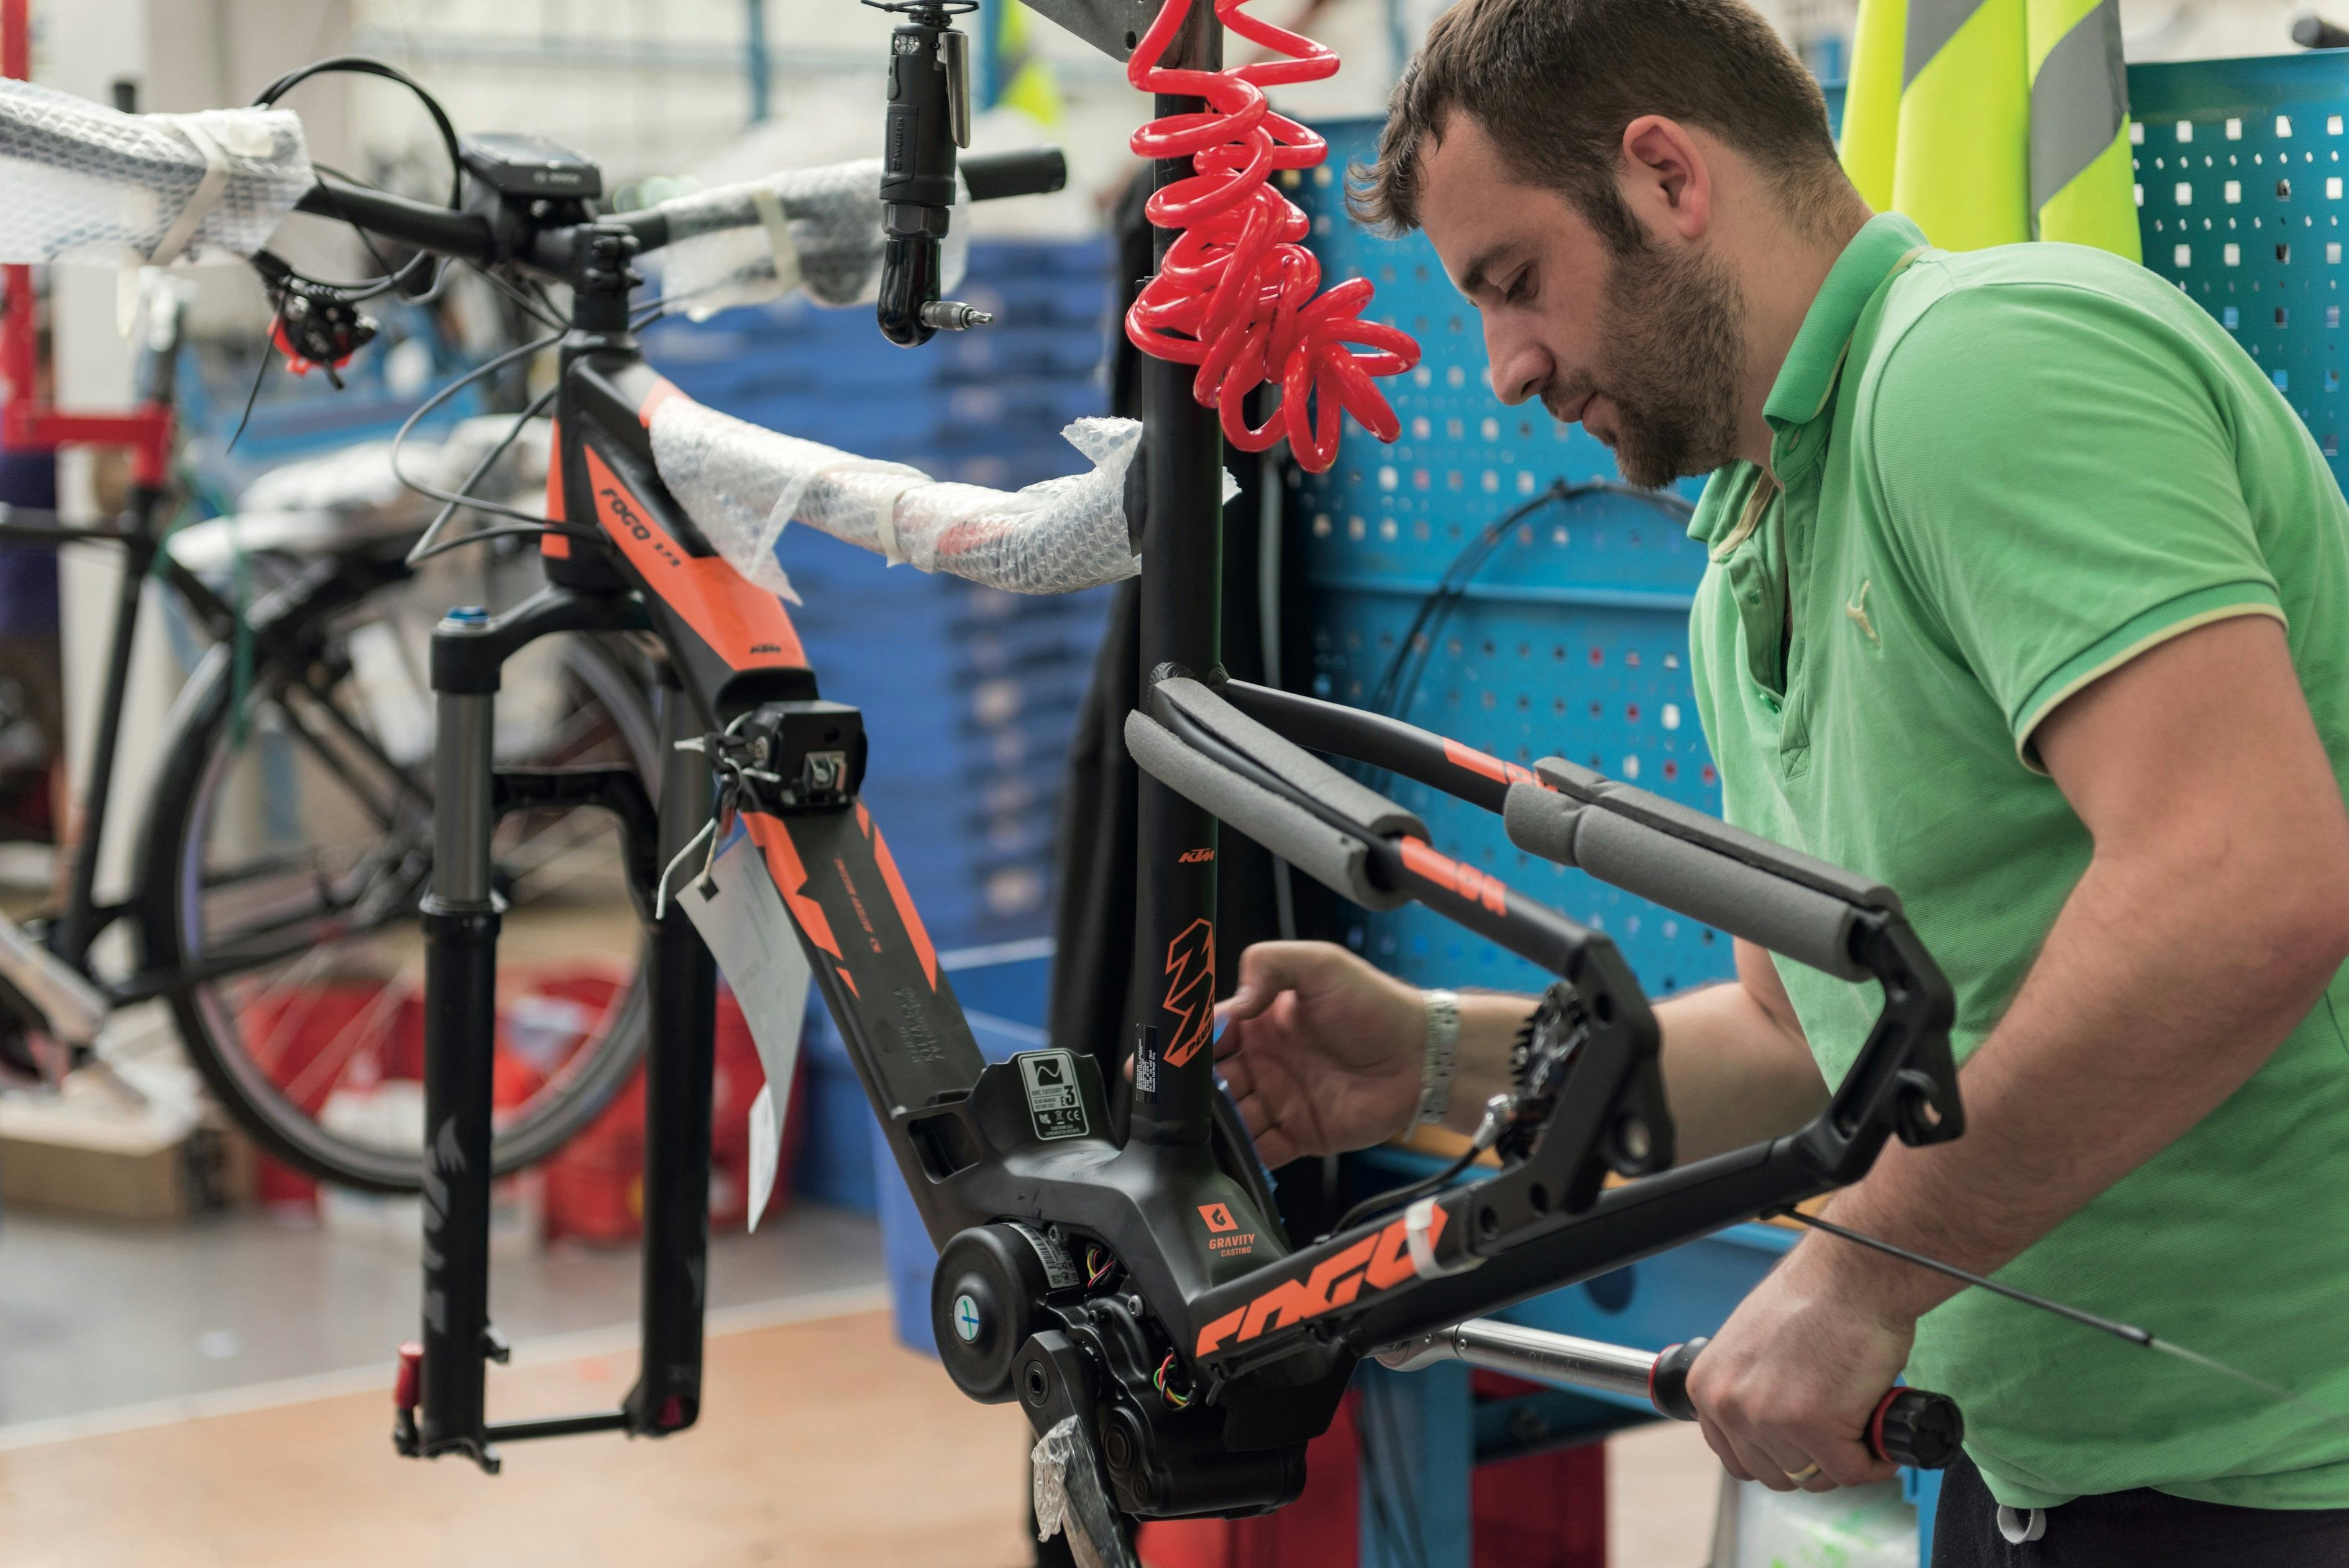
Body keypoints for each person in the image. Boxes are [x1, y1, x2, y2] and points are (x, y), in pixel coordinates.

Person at [1211, 1, 2349, 1561]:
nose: (1506, 369)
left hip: (2296, 1468)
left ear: (1670, 177)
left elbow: (2247, 882)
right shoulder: (1749, 549)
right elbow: (1796, 1036)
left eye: (1516, 281)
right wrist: (1425, 1063)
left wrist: (1865, 1270)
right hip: (2048, 1477)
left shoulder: (1978, 368)